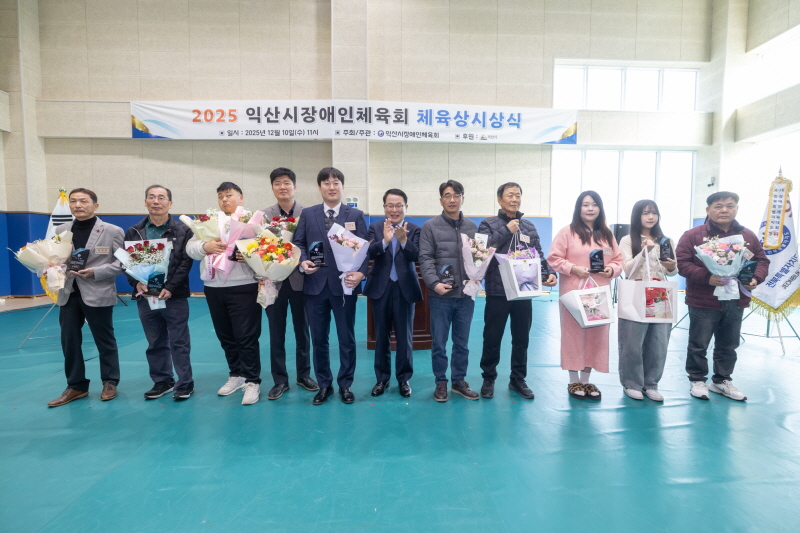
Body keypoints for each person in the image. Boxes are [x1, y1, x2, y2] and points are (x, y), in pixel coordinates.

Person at [676, 191, 769, 401]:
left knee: (729, 343)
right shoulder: (693, 235)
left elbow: (762, 261)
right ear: (708, 210)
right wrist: (707, 277)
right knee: (699, 343)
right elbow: (682, 263)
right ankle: (697, 379)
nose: (724, 210)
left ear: (737, 208)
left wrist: (755, 279)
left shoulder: (747, 236)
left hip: (736, 299)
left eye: (730, 205)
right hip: (704, 299)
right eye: (718, 206)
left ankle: (721, 380)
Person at [293, 167, 368, 405]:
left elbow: (365, 249)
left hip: (344, 285)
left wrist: (361, 274)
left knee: (346, 338)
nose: (331, 187)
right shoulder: (308, 214)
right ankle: (324, 384)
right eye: (326, 183)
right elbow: (298, 243)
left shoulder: (355, 214)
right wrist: (303, 261)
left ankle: (345, 384)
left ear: (342, 187)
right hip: (315, 285)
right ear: (320, 187)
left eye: (336, 182)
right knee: (319, 339)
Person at [478, 182, 558, 400]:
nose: (514, 199)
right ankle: (488, 377)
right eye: (510, 195)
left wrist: (549, 273)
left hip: (523, 290)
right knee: (492, 337)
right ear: (499, 199)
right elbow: (481, 251)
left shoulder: (529, 227)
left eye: (518, 195)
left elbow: (538, 254)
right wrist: (506, 231)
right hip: (498, 291)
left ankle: (518, 379)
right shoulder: (487, 224)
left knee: (521, 338)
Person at [186, 182, 263, 405]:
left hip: (244, 286)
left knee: (246, 336)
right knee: (225, 335)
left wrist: (249, 254)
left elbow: (266, 248)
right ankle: (236, 374)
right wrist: (205, 247)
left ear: (241, 197)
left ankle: (252, 380)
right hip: (213, 288)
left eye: (229, 195)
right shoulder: (207, 222)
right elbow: (190, 249)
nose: (224, 200)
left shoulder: (252, 221)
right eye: (220, 196)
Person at [48, 188, 125, 407]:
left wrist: (96, 272)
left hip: (97, 291)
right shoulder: (61, 229)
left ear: (95, 205)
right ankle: (76, 386)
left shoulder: (112, 231)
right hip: (69, 292)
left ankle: (110, 381)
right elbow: (55, 257)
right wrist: (51, 267)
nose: (78, 205)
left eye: (83, 201)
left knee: (104, 339)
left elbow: (123, 263)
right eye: (73, 201)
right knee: (69, 340)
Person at [548, 191, 623, 401]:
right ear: (578, 208)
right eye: (585, 204)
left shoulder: (606, 235)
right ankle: (574, 380)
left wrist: (611, 270)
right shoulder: (567, 232)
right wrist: (573, 268)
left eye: (594, 204)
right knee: (573, 334)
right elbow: (554, 258)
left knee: (596, 335)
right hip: (574, 292)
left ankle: (587, 379)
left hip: (599, 293)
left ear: (600, 208)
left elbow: (618, 260)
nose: (590, 209)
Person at [124, 185, 195, 401]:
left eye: (161, 198)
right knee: (155, 341)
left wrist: (170, 287)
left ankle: (185, 383)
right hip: (146, 296)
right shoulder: (134, 231)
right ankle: (162, 381)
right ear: (145, 201)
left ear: (170, 203)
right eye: (151, 197)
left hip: (174, 296)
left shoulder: (182, 230)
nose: (156, 201)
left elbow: (185, 263)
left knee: (179, 341)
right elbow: (128, 262)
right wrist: (136, 283)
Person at [419, 180, 479, 402]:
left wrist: (477, 277)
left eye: (456, 195)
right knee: (439, 343)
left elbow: (479, 258)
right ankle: (441, 382)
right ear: (441, 200)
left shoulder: (472, 227)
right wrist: (434, 283)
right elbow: (425, 258)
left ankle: (459, 381)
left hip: (466, 296)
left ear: (463, 198)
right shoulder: (430, 227)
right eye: (447, 195)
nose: (452, 199)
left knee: (462, 343)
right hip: (440, 296)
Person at [261, 167, 318, 401]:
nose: (282, 187)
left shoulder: (309, 213)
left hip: (301, 281)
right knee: (276, 333)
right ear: (272, 188)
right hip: (274, 282)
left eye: (286, 183)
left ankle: (304, 375)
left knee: (303, 331)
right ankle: (280, 380)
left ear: (295, 186)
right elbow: (258, 248)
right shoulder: (264, 216)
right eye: (277, 183)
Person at [617, 200, 678, 402]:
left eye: (654, 213)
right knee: (632, 341)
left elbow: (673, 271)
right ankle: (632, 383)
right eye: (645, 213)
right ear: (637, 216)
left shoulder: (666, 240)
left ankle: (651, 384)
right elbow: (627, 269)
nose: (650, 217)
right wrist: (645, 252)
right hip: (636, 293)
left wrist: (671, 265)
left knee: (659, 342)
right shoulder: (627, 240)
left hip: (660, 294)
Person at [364, 188, 422, 398]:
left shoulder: (414, 229)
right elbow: (369, 253)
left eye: (399, 205)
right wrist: (386, 241)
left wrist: (404, 240)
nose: (394, 209)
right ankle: (382, 379)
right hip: (381, 288)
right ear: (384, 207)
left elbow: (417, 256)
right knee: (381, 336)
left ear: (406, 207)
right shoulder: (375, 228)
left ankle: (403, 379)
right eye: (390, 205)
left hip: (405, 288)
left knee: (405, 337)